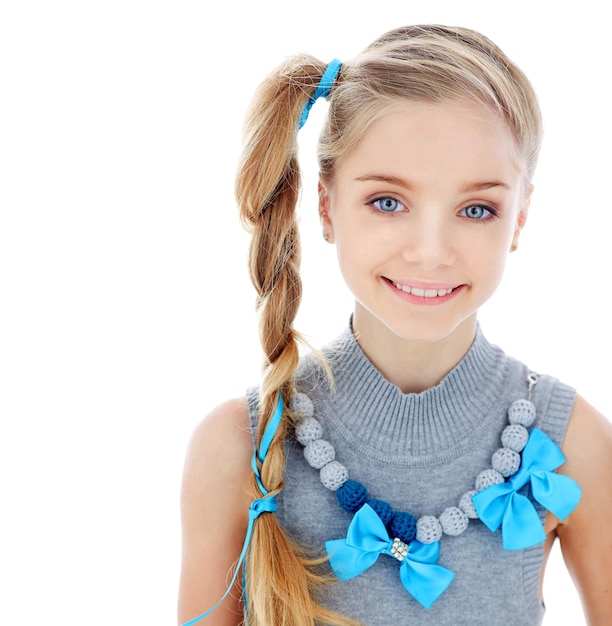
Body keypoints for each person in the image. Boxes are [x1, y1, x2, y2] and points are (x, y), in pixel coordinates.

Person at [177, 25, 612, 626]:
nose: (430, 252)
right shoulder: (237, 447)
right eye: (388, 201)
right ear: (327, 205)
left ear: (519, 218)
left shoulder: (574, 442)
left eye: (477, 209)